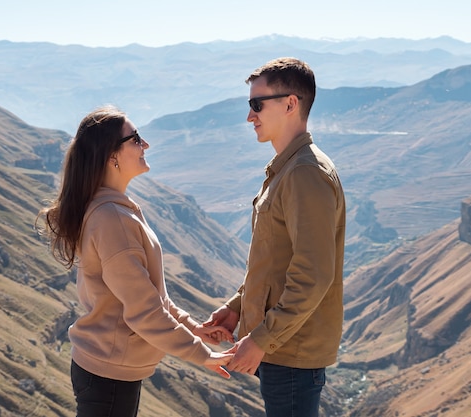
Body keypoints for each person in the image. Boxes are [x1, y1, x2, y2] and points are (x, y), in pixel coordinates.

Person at [37, 105, 234, 417]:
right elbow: (144, 311)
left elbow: (149, 295)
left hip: (109, 368)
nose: (146, 145)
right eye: (136, 139)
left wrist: (194, 329)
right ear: (111, 155)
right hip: (108, 374)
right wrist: (202, 355)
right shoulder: (112, 218)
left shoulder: (114, 210)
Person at [204, 57, 346, 417]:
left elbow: (313, 275)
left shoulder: (304, 174)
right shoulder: (288, 169)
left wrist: (263, 338)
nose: (250, 116)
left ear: (290, 104)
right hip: (284, 349)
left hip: (291, 353)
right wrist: (237, 309)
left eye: (256, 105)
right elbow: (274, 263)